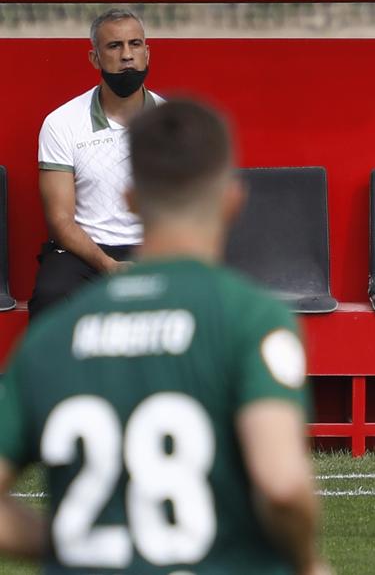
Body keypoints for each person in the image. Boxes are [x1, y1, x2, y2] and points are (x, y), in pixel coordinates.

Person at [0, 100, 329, 573]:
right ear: (234, 200)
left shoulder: (52, 334)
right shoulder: (252, 318)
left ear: (131, 200)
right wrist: (306, 562)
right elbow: (282, 486)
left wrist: (72, 538)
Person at [29, 8, 162, 320]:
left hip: (154, 249)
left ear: (147, 52)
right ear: (95, 58)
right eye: (114, 46)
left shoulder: (172, 121)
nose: (127, 55)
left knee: (202, 299)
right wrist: (108, 266)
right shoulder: (62, 122)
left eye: (135, 44)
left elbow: (184, 210)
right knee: (50, 298)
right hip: (83, 253)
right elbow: (60, 221)